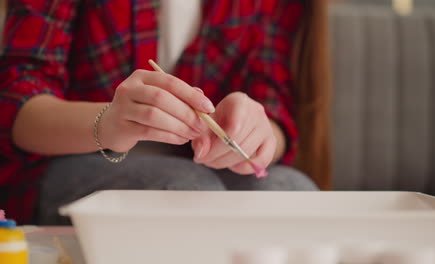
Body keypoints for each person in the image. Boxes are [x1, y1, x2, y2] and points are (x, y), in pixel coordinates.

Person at [0, 0, 317, 225]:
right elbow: (15, 103)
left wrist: (258, 134)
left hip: (203, 167)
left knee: (292, 193)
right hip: (62, 160)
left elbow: (274, 100)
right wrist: (109, 123)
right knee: (187, 194)